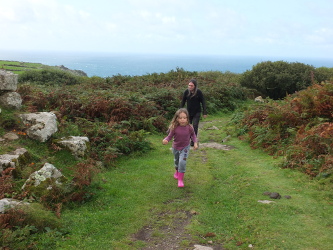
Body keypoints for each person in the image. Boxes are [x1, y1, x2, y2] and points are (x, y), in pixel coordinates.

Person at [162, 108, 198, 188]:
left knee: (182, 162)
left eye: (184, 118)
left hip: (185, 147)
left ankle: (180, 180)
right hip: (176, 148)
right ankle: (177, 171)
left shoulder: (189, 127)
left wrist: (195, 142)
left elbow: (193, 135)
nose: (182, 120)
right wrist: (166, 140)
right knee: (177, 161)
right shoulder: (174, 127)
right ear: (177, 118)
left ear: (187, 118)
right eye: (180, 118)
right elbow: (169, 136)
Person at [180, 79, 207, 146]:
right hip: (188, 112)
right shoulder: (186, 92)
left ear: (195, 86)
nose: (190, 87)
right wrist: (180, 111)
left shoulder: (198, 92)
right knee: (187, 126)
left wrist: (204, 112)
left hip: (197, 111)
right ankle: (186, 139)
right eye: (189, 85)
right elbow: (183, 101)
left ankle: (193, 140)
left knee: (195, 125)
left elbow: (203, 101)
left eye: (191, 86)